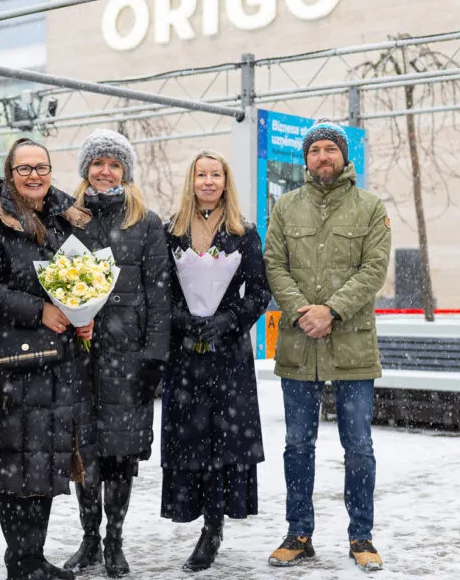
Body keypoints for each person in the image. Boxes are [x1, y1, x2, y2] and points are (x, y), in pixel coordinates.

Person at [262, 120, 391, 572]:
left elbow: (373, 270)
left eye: (329, 149)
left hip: (352, 346)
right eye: (314, 150)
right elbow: (274, 265)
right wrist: (302, 311)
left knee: (358, 446)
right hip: (299, 345)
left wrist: (331, 311)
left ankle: (362, 537)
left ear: (343, 156)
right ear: (305, 159)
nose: (322, 157)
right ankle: (299, 533)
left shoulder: (370, 207)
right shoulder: (286, 209)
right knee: (298, 444)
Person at [0, 138, 98, 580]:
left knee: (43, 465)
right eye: (23, 169)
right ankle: (21, 561)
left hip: (59, 361)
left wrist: (84, 315)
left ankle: (33, 558)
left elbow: (83, 276)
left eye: (41, 167)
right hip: (14, 362)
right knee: (16, 466)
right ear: (9, 174)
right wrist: (37, 308)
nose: (34, 176)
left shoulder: (66, 218)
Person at [63, 129, 171, 578]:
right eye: (98, 163)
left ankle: (114, 541)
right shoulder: (67, 218)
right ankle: (88, 539)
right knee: (84, 455)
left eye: (114, 164)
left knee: (121, 455)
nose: (105, 171)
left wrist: (155, 357)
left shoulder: (145, 223)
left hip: (127, 361)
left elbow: (160, 295)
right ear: (86, 169)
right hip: (78, 357)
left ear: (125, 172)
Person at [160, 149, 270, 572]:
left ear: (226, 182)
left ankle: (214, 527)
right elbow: (161, 292)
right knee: (191, 439)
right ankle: (198, 515)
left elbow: (259, 293)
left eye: (215, 175)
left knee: (224, 442)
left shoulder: (244, 231)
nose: (208, 181)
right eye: (201, 174)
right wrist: (183, 321)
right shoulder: (172, 231)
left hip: (228, 354)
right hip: (185, 355)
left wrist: (227, 320)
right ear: (192, 181)